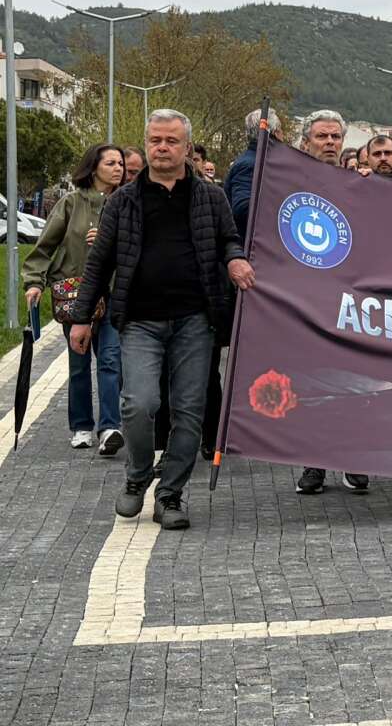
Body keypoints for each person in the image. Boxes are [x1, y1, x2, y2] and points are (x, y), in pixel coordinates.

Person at [69, 109, 256, 530]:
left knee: (190, 410)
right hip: (138, 320)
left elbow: (229, 237)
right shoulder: (125, 200)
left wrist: (235, 259)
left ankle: (171, 493)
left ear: (187, 147)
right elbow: (100, 262)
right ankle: (137, 477)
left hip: (195, 319)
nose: (162, 148)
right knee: (139, 404)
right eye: (155, 140)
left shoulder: (210, 196)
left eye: (171, 141)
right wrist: (82, 318)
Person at [22, 144, 125, 455]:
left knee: (109, 361)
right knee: (79, 364)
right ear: (94, 168)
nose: (118, 168)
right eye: (111, 163)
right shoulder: (70, 203)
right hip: (77, 296)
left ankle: (110, 427)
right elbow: (45, 246)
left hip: (114, 294)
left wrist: (111, 240)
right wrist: (34, 282)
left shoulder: (126, 202)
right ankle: (81, 426)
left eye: (121, 162)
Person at [292, 111, 371, 497]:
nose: (329, 142)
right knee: (313, 385)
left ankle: (353, 456)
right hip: (305, 301)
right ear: (306, 141)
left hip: (351, 301)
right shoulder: (286, 184)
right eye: (321, 136)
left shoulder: (358, 184)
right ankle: (314, 462)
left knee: (353, 383)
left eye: (335, 137)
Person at [226, 106, 284, 241]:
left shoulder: (260, 161)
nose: (283, 135)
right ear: (274, 133)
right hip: (249, 248)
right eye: (281, 130)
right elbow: (243, 209)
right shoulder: (250, 165)